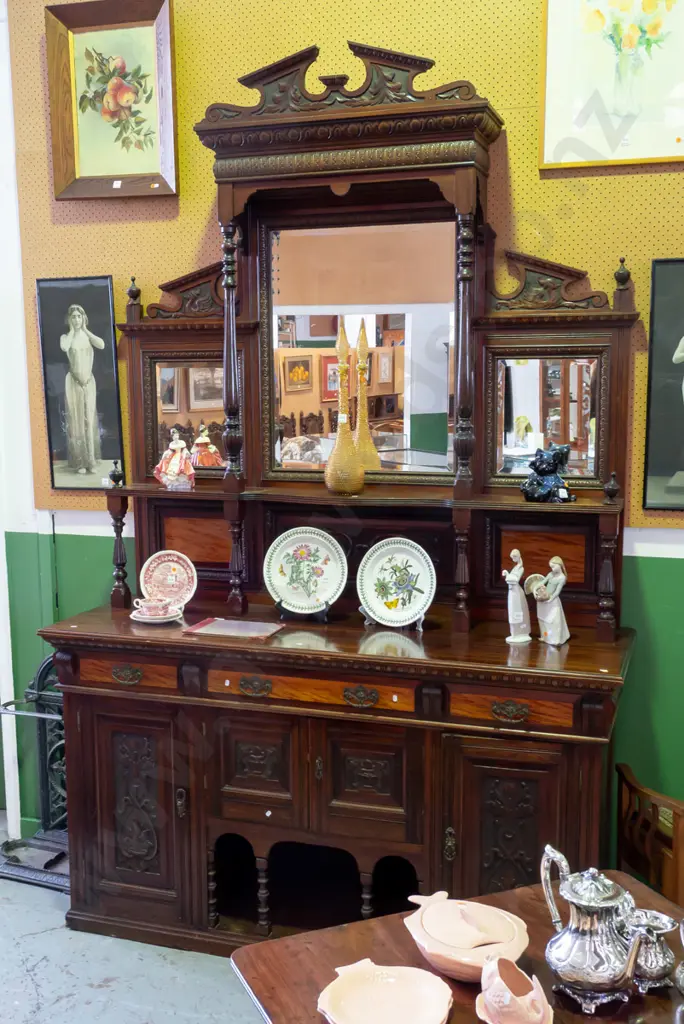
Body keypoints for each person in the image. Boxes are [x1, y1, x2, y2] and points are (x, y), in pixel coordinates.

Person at [60, 304, 105, 474]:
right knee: (76, 420)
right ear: (69, 319)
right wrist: (73, 330)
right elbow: (65, 347)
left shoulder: (87, 336)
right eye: (73, 317)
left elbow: (101, 345)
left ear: (83, 318)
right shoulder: (66, 336)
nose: (77, 320)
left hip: (88, 382)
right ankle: (80, 462)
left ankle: (91, 460)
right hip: (73, 382)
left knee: (89, 418)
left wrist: (85, 329)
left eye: (79, 316)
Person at [532, 556, 570, 647]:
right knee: (543, 620)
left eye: (553, 566)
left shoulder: (562, 578)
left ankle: (556, 639)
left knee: (554, 621)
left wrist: (550, 599)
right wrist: (535, 589)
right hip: (544, 600)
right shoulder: (550, 574)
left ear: (559, 565)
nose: (552, 569)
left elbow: (557, 591)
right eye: (551, 567)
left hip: (552, 601)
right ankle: (545, 636)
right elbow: (543, 582)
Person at [501, 549, 531, 644]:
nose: (513, 559)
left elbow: (515, 579)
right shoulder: (515, 567)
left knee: (517, 610)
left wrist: (508, 576)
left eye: (514, 557)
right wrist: (507, 573)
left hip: (516, 592)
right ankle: (514, 633)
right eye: (512, 557)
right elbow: (511, 578)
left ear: (518, 556)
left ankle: (521, 632)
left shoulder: (521, 568)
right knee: (512, 610)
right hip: (512, 592)